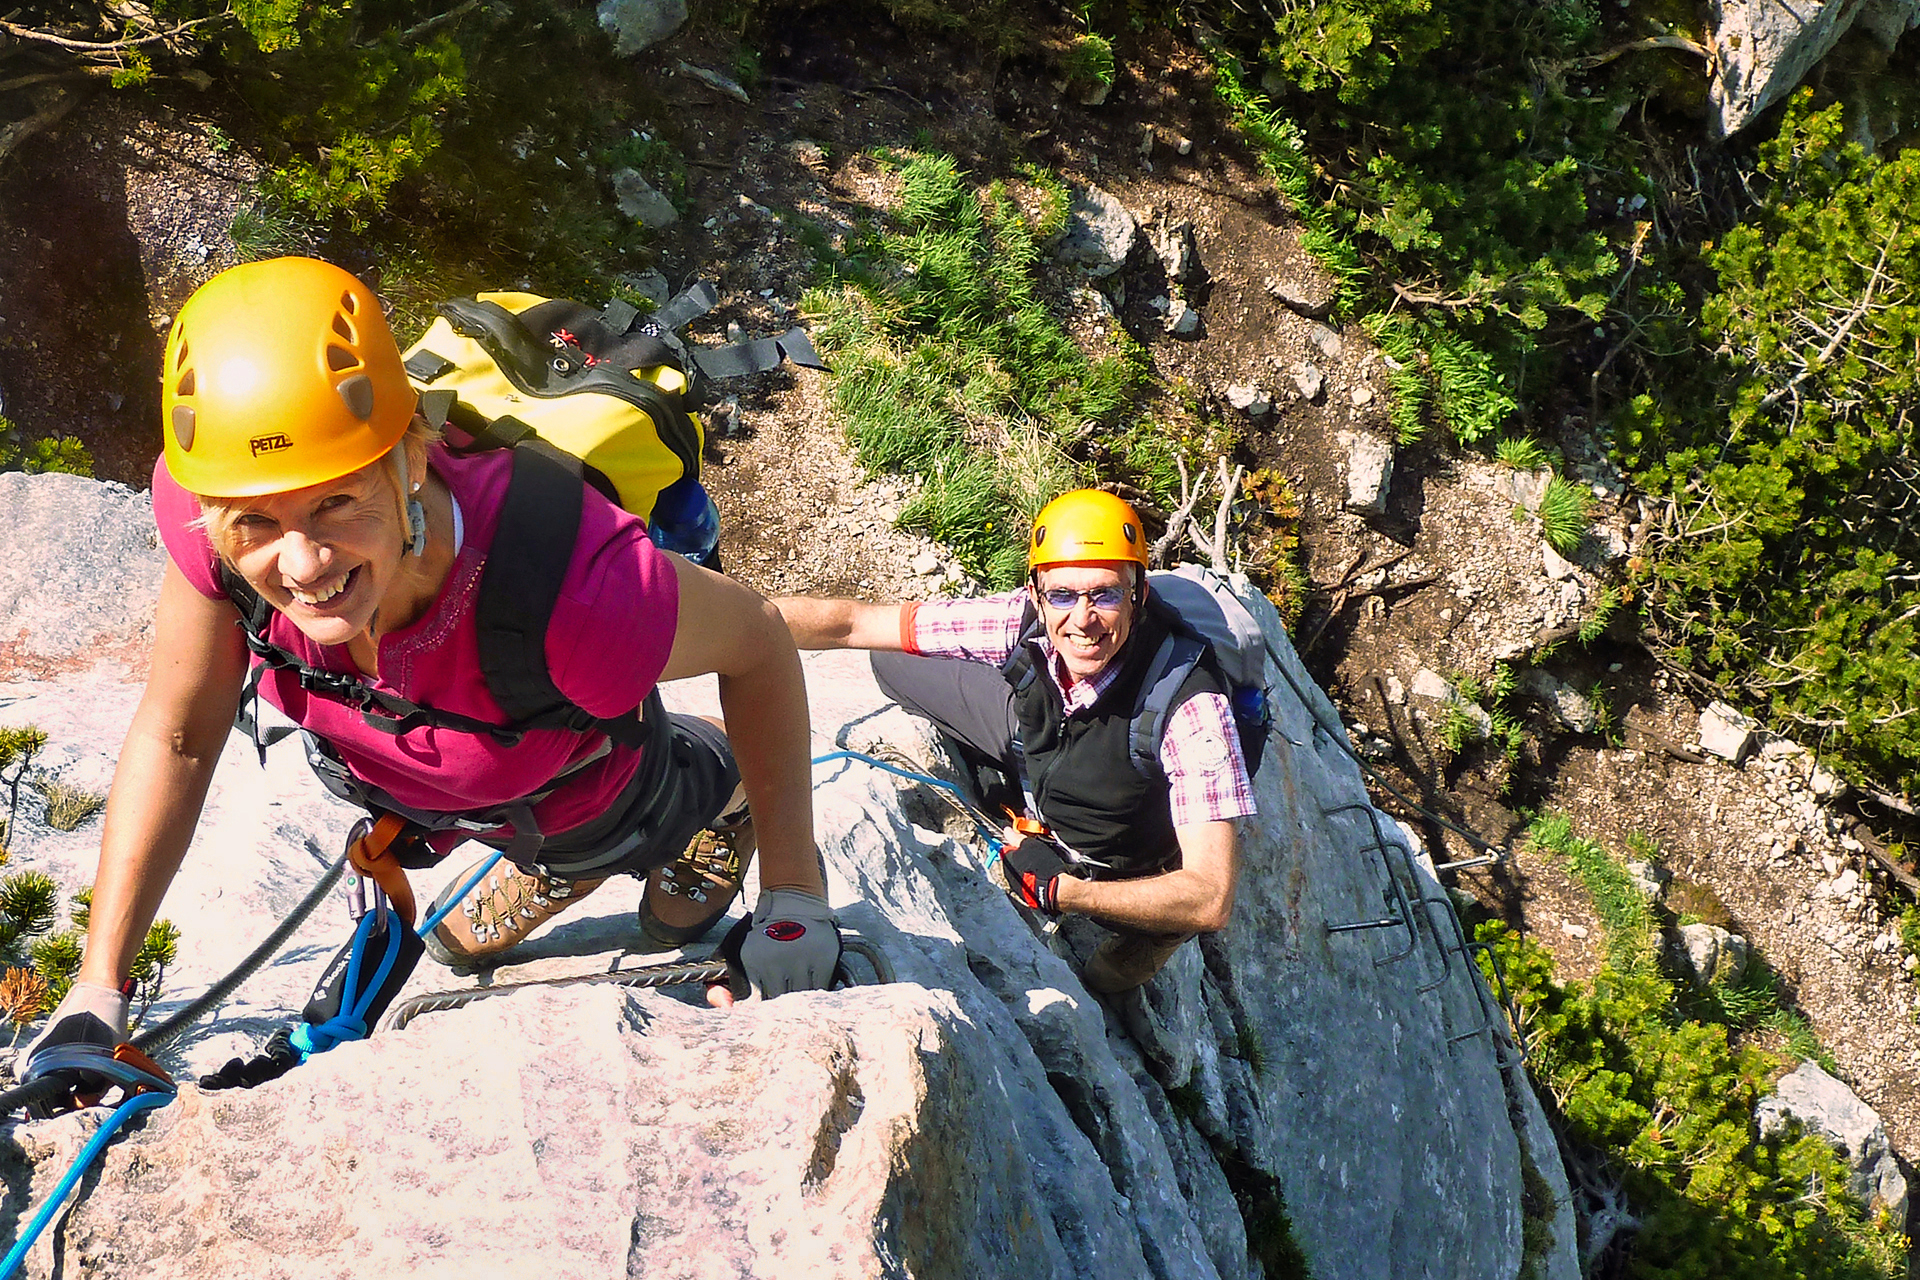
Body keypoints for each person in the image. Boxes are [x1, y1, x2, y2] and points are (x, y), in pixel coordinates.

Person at [24, 257, 837, 1083]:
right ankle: (535, 858)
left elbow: (760, 641)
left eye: (337, 502)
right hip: (404, 782)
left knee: (620, 865)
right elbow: (178, 736)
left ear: (412, 457)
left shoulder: (574, 583)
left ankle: (703, 812)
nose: (301, 566)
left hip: (589, 790)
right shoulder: (210, 508)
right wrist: (96, 993)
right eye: (256, 522)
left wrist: (794, 895)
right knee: (493, 858)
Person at [775, 490, 1256, 992]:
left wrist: (1066, 892)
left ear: (1139, 596)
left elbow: (1210, 896)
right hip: (1050, 756)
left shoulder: (1190, 708)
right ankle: (1017, 785)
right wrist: (738, 624)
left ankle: (1140, 946)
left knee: (1106, 979)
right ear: (1036, 594)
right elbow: (855, 624)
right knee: (894, 662)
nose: (1083, 619)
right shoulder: (1025, 621)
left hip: (1124, 861)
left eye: (1105, 594)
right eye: (1063, 596)